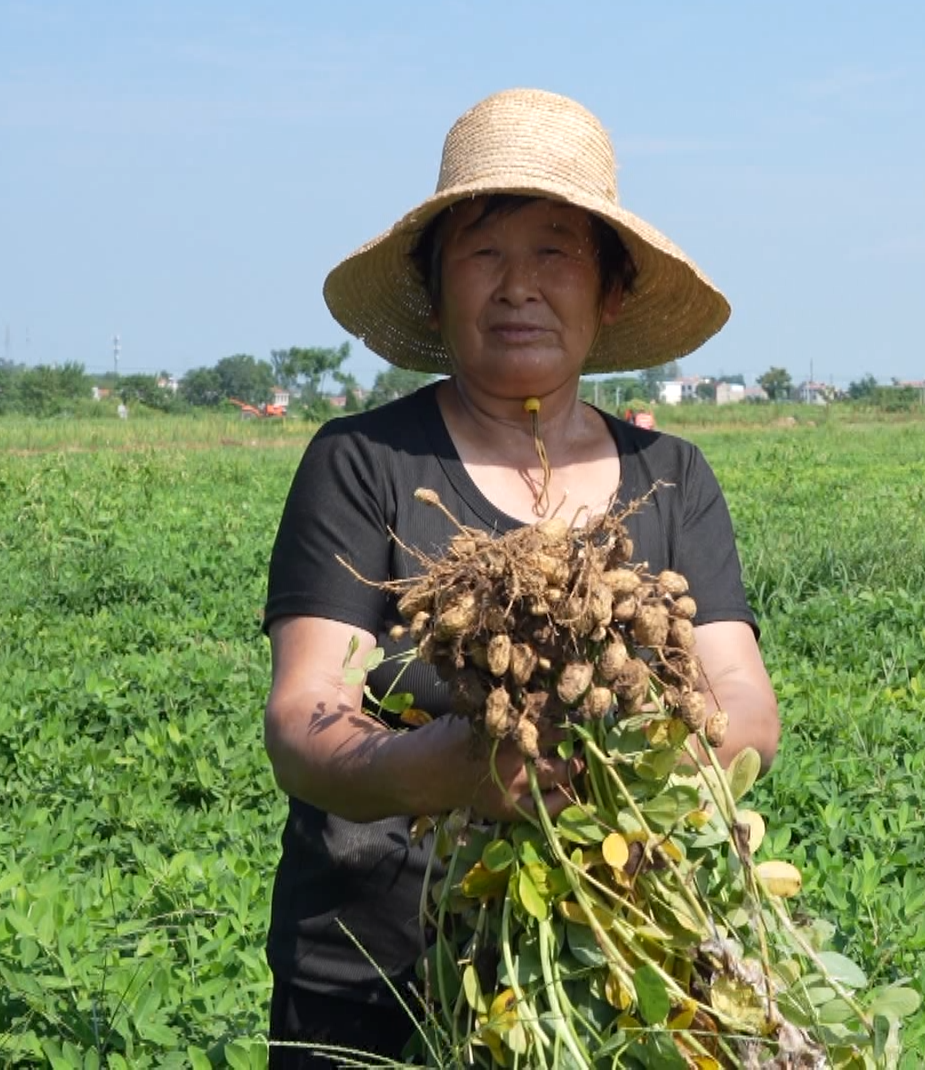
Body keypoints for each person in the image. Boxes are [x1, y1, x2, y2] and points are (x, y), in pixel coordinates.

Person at [259, 88, 780, 1066]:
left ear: (610, 290)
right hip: (375, 975)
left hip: (613, 959)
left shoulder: (671, 479)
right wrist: (445, 769)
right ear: (435, 286)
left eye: (555, 253)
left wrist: (625, 769)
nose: (518, 287)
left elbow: (743, 699)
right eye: (484, 254)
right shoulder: (364, 463)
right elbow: (304, 714)